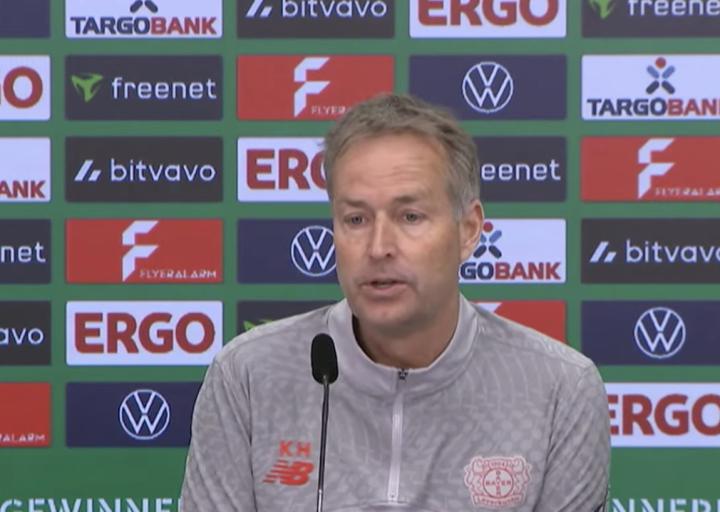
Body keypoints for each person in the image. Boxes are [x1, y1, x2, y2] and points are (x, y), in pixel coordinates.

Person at [180, 93, 610, 511]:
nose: (378, 247)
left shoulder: (559, 391)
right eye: (356, 219)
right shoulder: (248, 377)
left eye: (410, 217)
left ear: (468, 230)